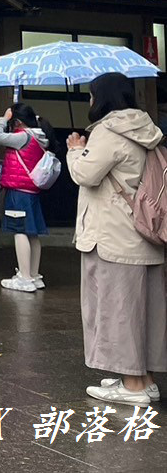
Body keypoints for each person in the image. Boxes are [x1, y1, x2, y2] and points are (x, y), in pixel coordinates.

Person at [67, 72, 165, 406]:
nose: (90, 101)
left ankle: (133, 386)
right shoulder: (144, 128)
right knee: (144, 312)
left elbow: (85, 174)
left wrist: (75, 151)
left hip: (112, 235)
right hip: (143, 234)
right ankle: (144, 378)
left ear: (103, 97)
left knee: (118, 310)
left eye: (92, 95)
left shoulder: (109, 131)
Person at [0, 103, 55, 292]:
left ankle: (24, 279)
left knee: (20, 232)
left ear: (17, 121)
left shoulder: (23, 136)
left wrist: (3, 118)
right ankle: (34, 275)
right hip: (32, 192)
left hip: (18, 192)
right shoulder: (39, 136)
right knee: (32, 234)